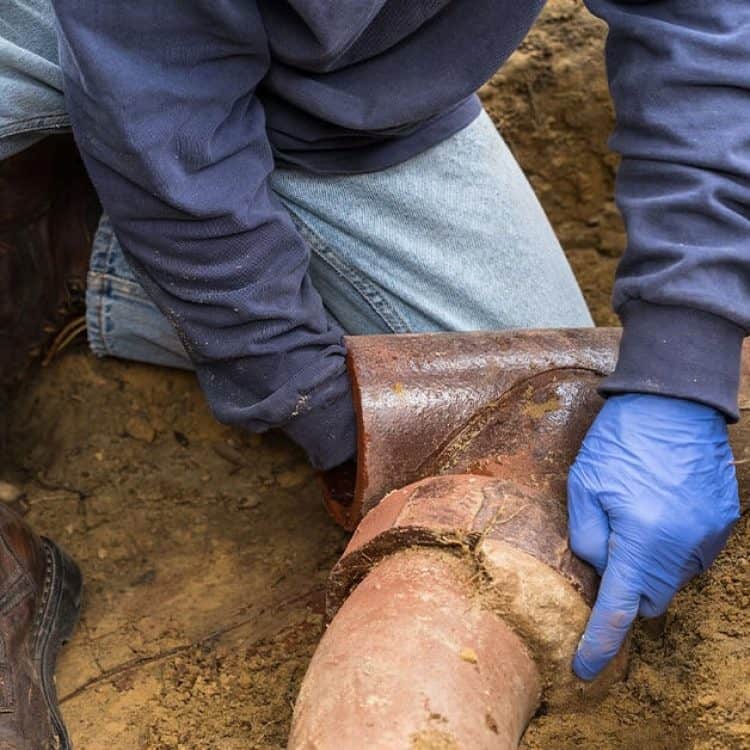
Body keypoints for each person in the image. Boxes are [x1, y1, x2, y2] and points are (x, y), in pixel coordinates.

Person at [0, 1, 745, 746]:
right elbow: (156, 119)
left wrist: (683, 364)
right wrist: (327, 414)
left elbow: (700, 21)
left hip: (337, 96)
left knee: (535, 411)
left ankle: (92, 259)